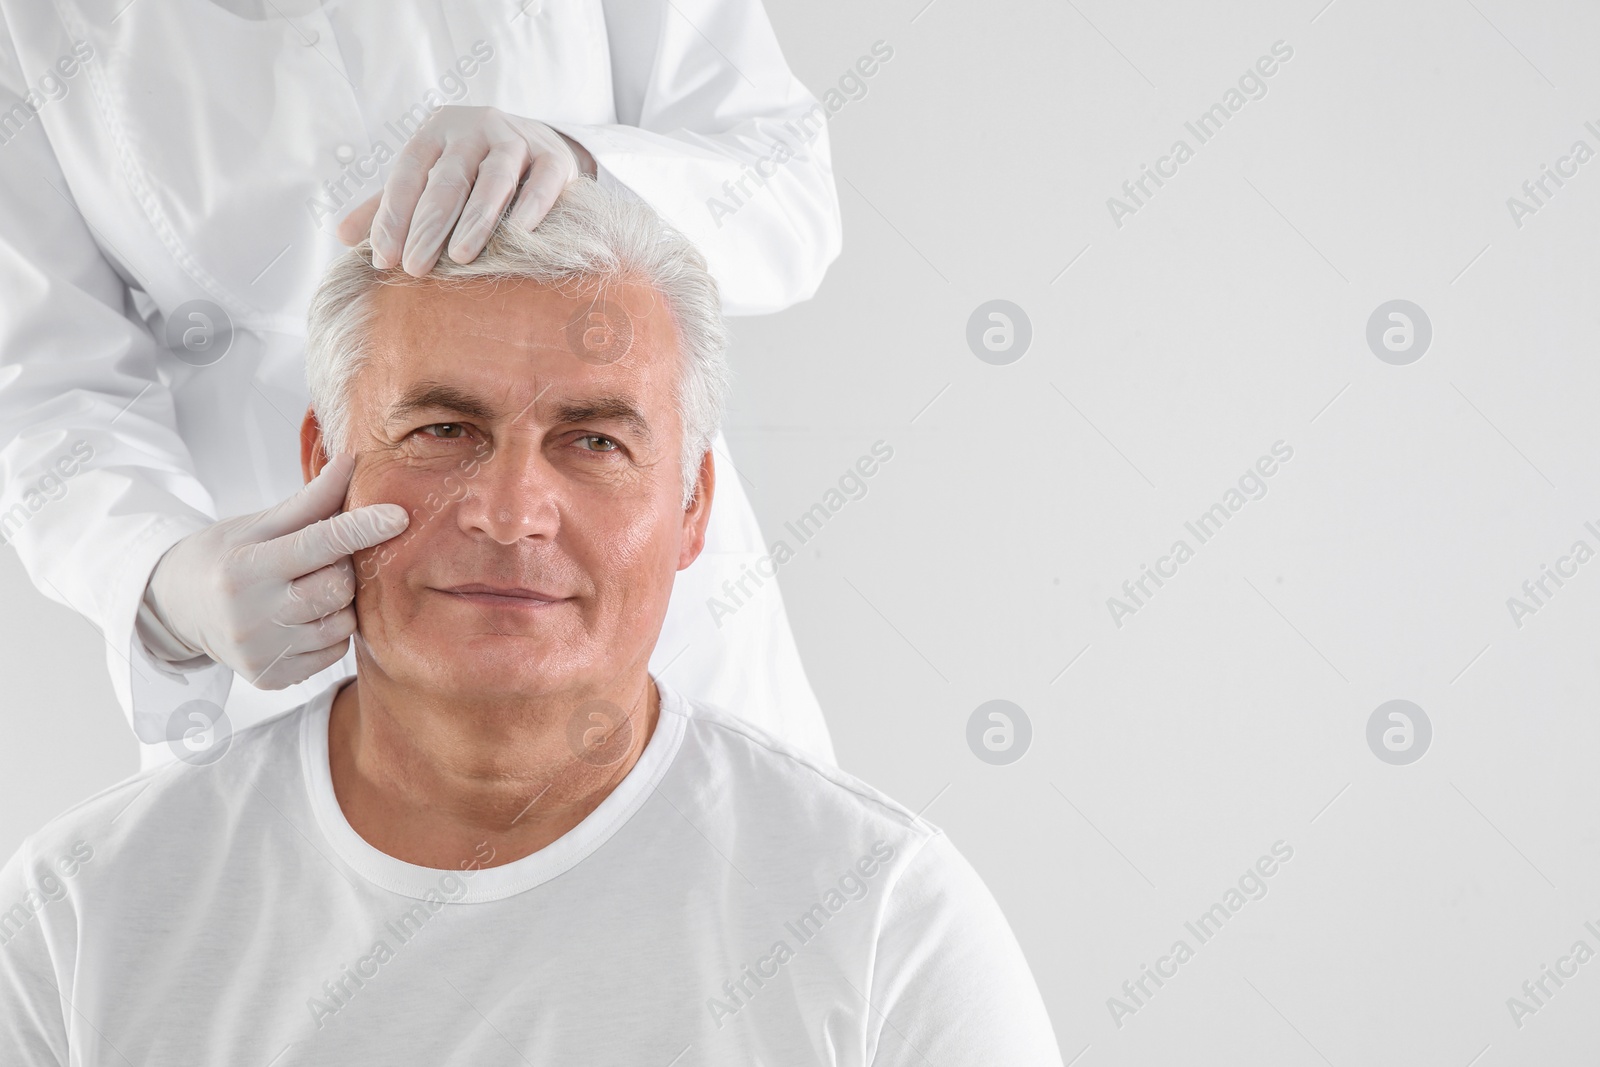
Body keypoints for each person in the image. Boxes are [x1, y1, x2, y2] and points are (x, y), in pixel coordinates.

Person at [0, 178, 1064, 1065]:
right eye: (442, 426)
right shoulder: (80, 916)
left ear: (691, 504)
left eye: (594, 441)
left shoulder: (876, 918)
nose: (510, 512)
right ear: (323, 460)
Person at [0, 0, 840, 769]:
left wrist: (582, 166)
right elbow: (45, 383)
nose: (504, 513)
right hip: (289, 631)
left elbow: (792, 197)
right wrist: (161, 579)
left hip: (650, 633)